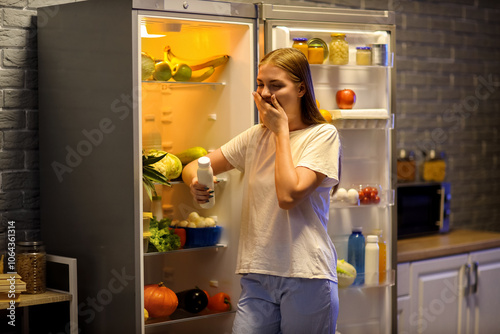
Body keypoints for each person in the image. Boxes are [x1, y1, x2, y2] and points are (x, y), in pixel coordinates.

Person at [182, 47, 341, 334]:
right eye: (260, 84)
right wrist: (197, 181)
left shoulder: (322, 136)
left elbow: (288, 196)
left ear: (302, 88)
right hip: (258, 274)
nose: (265, 93)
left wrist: (280, 131)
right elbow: (193, 166)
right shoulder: (255, 136)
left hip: (306, 274)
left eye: (276, 85)